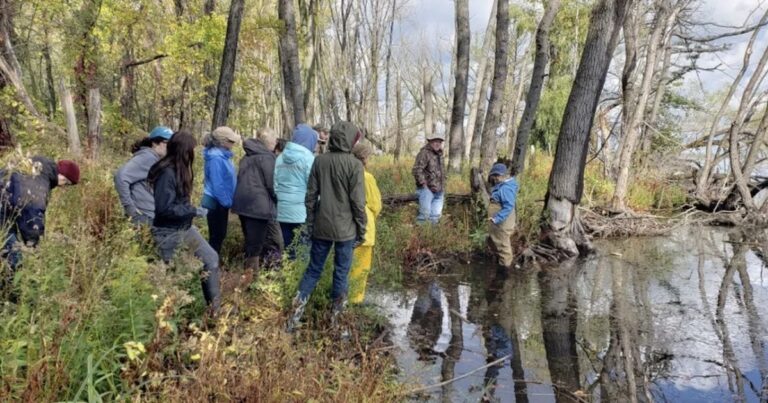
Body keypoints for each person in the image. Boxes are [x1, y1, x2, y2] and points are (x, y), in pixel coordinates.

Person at [286, 121, 366, 332]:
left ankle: (293, 317)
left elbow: (310, 197)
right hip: (345, 230)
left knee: (313, 270)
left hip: (321, 226)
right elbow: (358, 202)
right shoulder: (354, 165)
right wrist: (362, 229)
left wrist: (310, 224)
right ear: (350, 140)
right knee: (341, 273)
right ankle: (337, 323)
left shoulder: (319, 161)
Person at [148, 131, 221, 313]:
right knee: (171, 279)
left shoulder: (178, 169)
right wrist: (193, 211)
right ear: (184, 151)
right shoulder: (167, 173)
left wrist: (190, 212)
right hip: (167, 232)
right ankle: (165, 324)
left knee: (211, 258)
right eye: (192, 149)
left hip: (185, 228)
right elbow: (164, 208)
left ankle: (215, 312)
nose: (194, 153)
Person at [0, 157, 80, 276]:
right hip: (2, 215)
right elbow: (32, 219)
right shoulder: (39, 184)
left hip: (5, 211)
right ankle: (11, 292)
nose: (63, 187)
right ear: (62, 176)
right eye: (66, 183)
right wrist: (35, 250)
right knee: (15, 260)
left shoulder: (39, 166)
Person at [231, 130, 277, 272]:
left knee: (250, 241)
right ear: (270, 143)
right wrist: (277, 199)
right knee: (256, 245)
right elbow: (272, 184)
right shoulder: (268, 158)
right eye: (274, 141)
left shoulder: (247, 156)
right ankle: (252, 279)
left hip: (243, 204)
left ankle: (251, 273)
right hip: (258, 207)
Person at [274, 124, 317, 260]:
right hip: (301, 212)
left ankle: (288, 278)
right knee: (303, 251)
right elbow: (313, 187)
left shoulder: (280, 157)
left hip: (282, 211)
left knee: (288, 250)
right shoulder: (309, 159)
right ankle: (300, 278)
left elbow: (275, 184)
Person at [115, 126, 173, 224]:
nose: (170, 147)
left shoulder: (156, 159)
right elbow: (121, 176)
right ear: (154, 143)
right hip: (146, 217)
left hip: (153, 215)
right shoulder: (148, 157)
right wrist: (130, 209)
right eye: (166, 143)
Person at [348, 143, 382, 304]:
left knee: (346, 263)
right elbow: (376, 204)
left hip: (346, 225)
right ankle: (355, 299)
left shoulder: (346, 173)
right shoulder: (367, 177)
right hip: (364, 226)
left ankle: (344, 296)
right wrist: (373, 215)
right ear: (364, 158)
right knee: (361, 266)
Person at [202, 126, 240, 256]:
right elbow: (217, 185)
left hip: (220, 202)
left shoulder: (223, 156)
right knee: (216, 236)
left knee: (219, 235)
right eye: (231, 141)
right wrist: (227, 203)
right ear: (223, 142)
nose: (233, 143)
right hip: (216, 202)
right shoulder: (216, 158)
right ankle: (209, 268)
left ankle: (212, 266)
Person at [487, 163, 518, 268]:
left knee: (503, 243)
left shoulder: (505, 189)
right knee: (496, 240)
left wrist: (496, 218)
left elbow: (508, 206)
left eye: (495, 177)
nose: (495, 179)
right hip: (500, 221)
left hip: (502, 221)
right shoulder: (504, 185)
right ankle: (500, 261)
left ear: (500, 175)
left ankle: (504, 270)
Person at [412, 132, 445, 224]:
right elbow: (417, 170)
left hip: (439, 190)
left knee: (435, 217)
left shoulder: (440, 155)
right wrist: (424, 185)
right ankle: (421, 237)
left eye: (439, 142)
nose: (438, 144)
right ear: (430, 142)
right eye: (435, 141)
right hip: (427, 190)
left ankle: (432, 237)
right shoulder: (424, 153)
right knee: (424, 217)